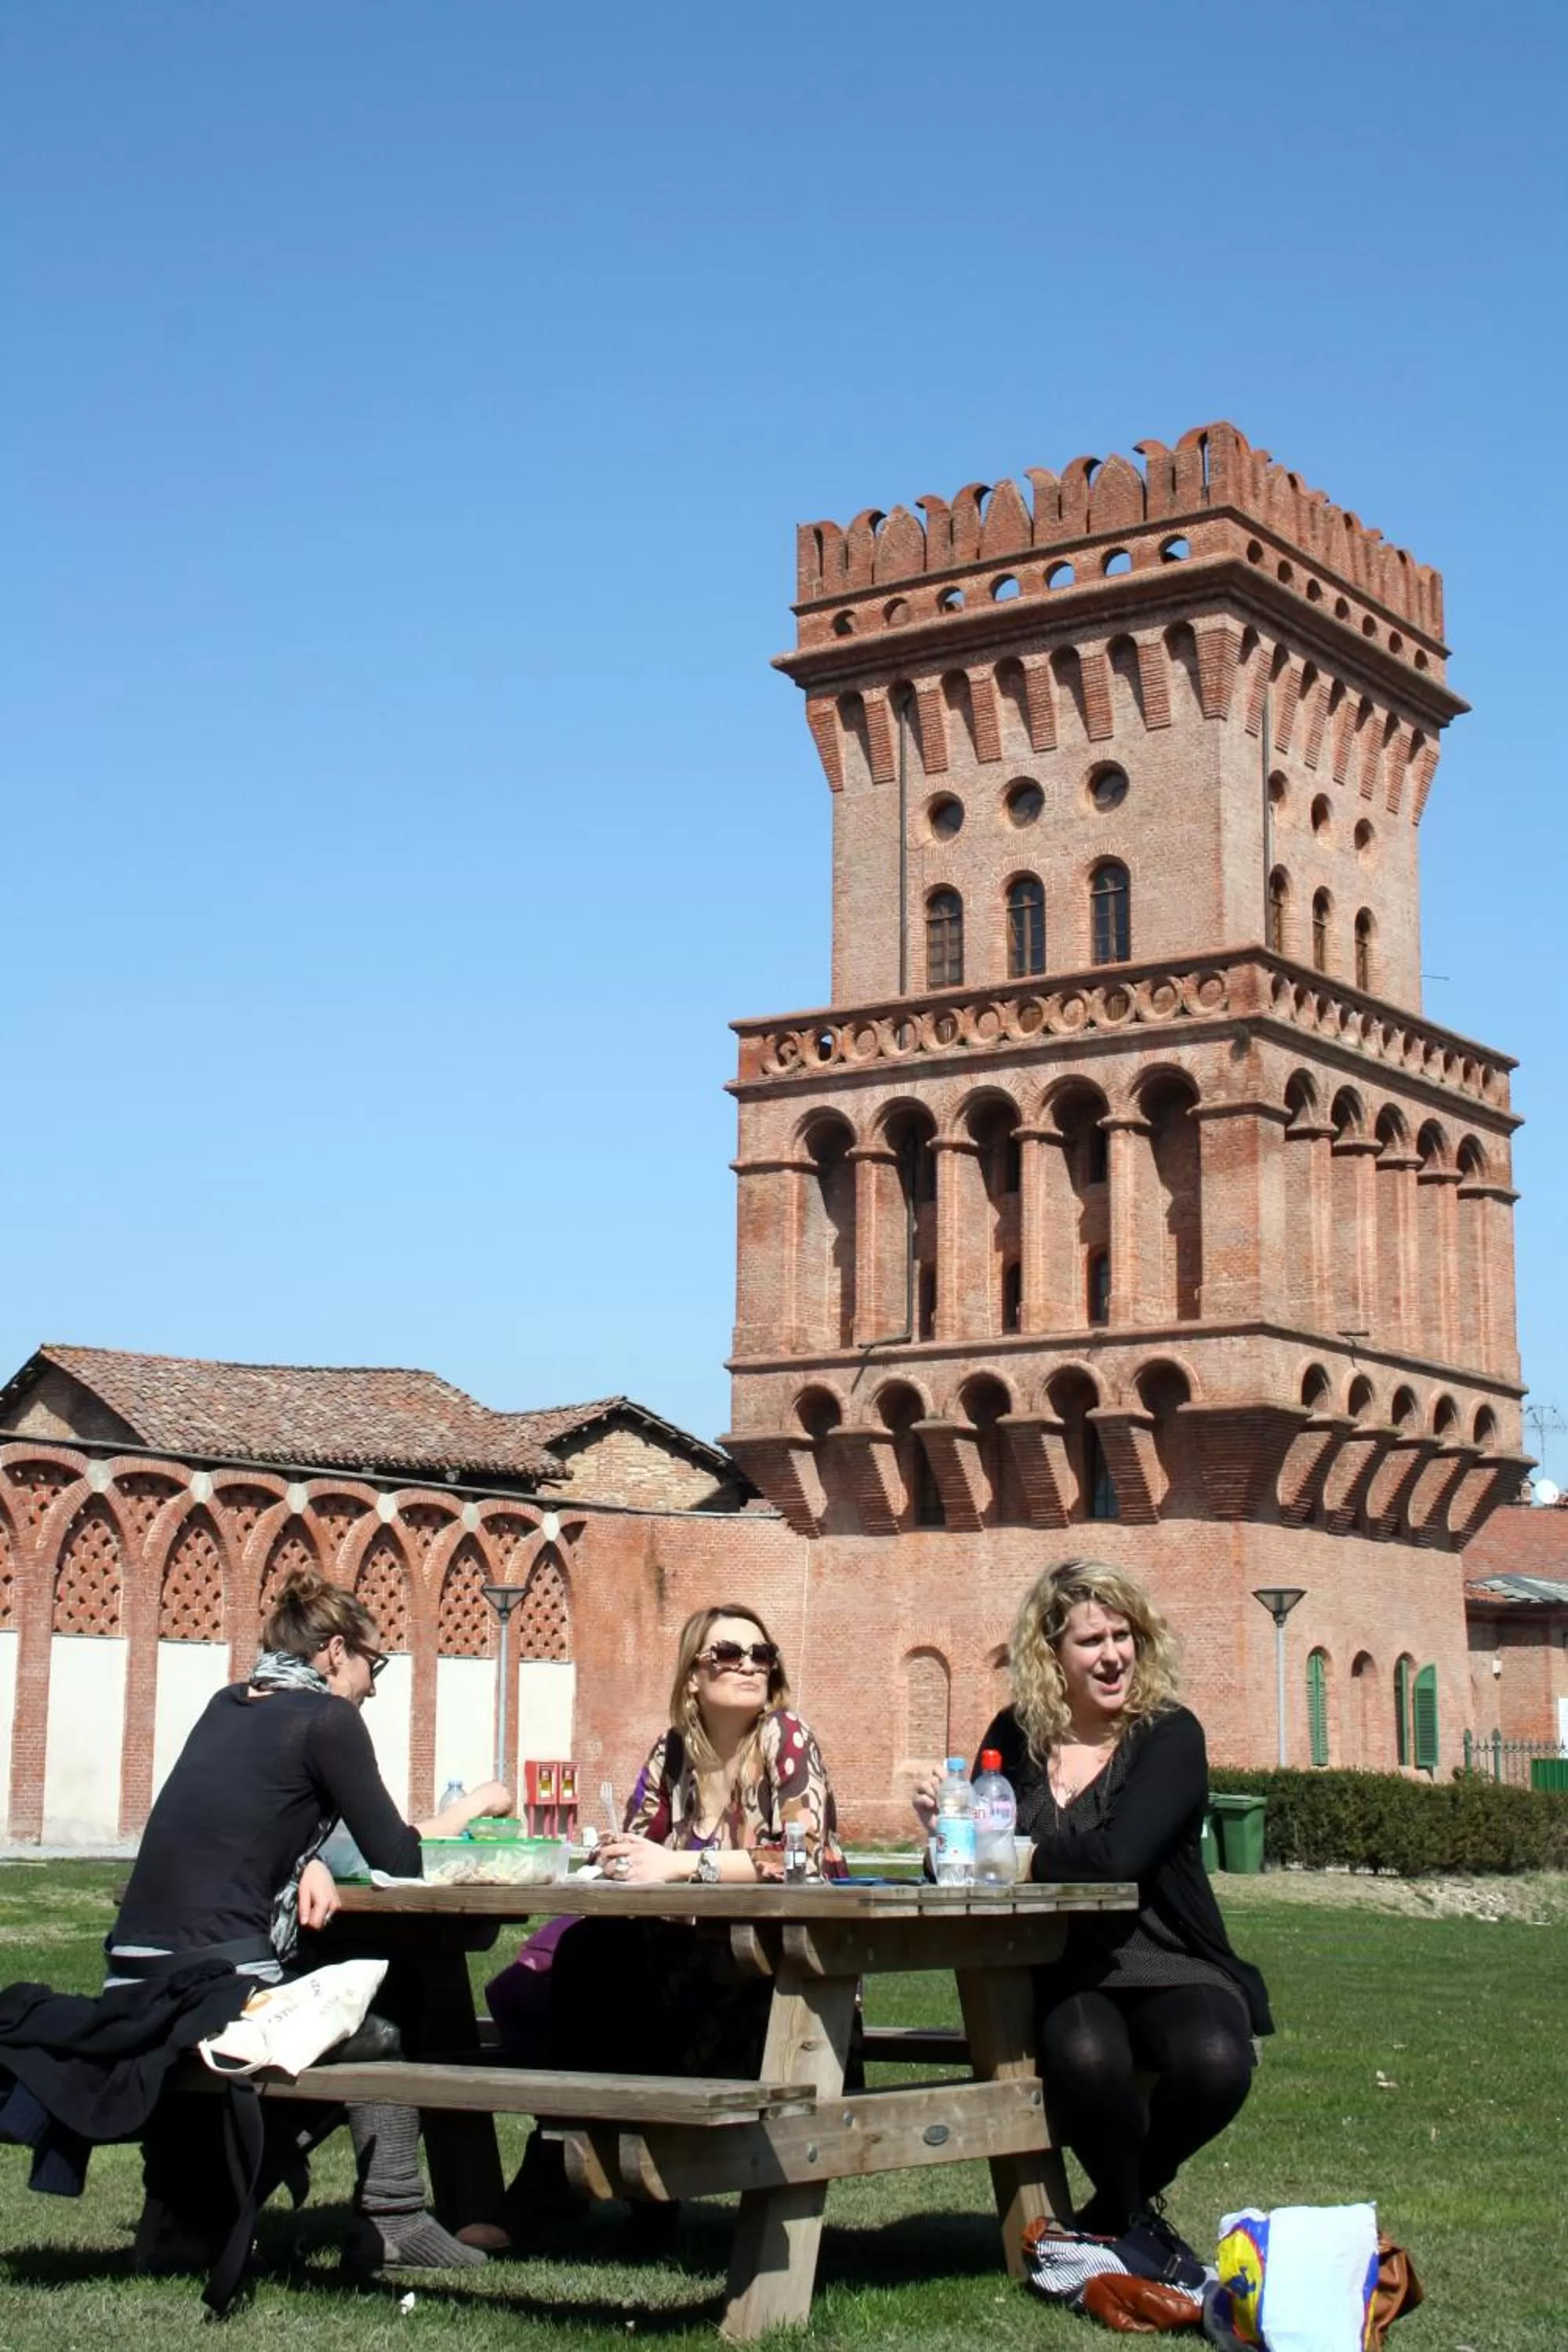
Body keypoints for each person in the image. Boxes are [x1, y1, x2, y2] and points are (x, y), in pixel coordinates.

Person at [111, 1566, 513, 2276]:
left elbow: (248, 1821)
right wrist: (474, 1804)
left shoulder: (226, 1705)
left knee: (357, 1994)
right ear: (333, 1653)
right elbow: (400, 1855)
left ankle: (185, 2210)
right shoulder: (328, 1719)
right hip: (217, 1983)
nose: (374, 1683)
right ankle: (395, 2218)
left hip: (136, 1979)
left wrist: (307, 1861)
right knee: (382, 2024)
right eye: (372, 1662)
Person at [913, 1559, 1271, 2260]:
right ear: (1051, 1656)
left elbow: (1117, 1858)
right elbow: (967, 1862)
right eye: (1091, 1641)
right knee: (1082, 2056)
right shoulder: (1015, 1736)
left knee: (1217, 2062)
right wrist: (944, 1832)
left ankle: (1114, 2209)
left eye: (1123, 1635)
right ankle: (1135, 2225)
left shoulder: (1170, 1735)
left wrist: (1016, 1855)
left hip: (1169, 1956)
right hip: (1064, 1966)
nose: (1113, 1656)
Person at [476, 1601, 845, 2249]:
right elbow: (643, 1845)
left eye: (762, 1655)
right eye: (728, 1655)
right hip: (685, 1974)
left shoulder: (786, 1738)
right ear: (693, 1679)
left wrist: (680, 1866)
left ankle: (566, 2187)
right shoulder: (674, 1751)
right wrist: (619, 1855)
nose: (750, 1666)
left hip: (782, 1988)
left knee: (601, 1969)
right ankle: (580, 2173)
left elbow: (802, 1857)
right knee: (593, 1951)